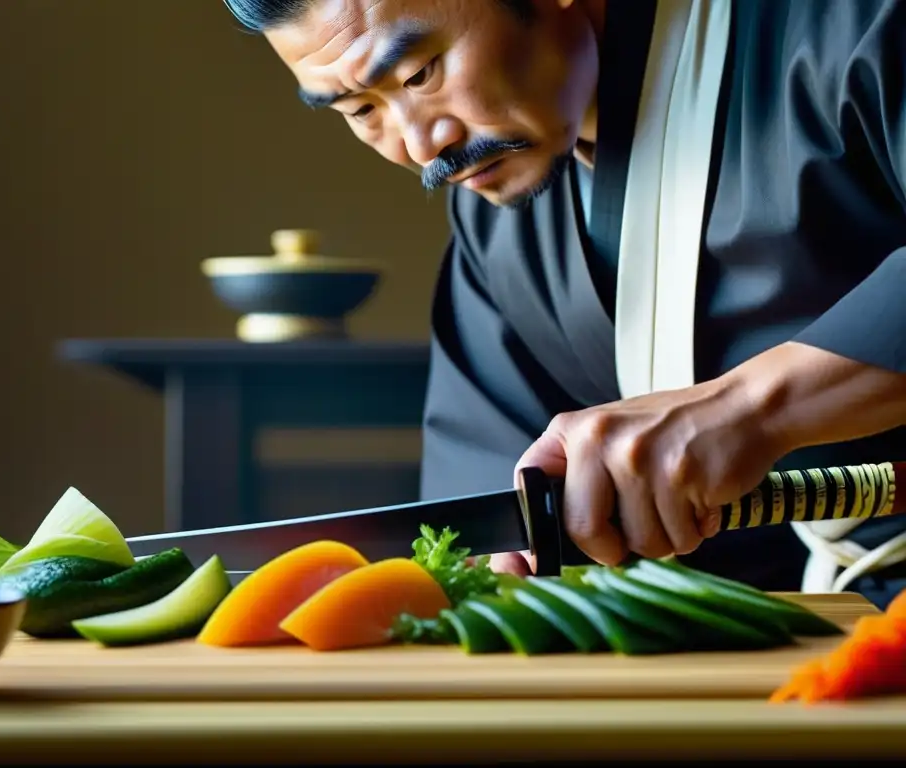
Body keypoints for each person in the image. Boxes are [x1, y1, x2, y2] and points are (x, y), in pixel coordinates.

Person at [221, 0, 906, 608]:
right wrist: (509, 574)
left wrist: (751, 408)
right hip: (784, 646)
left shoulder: (853, 24)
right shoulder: (501, 223)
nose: (420, 142)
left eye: (420, 75)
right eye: (361, 110)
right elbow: (493, 504)